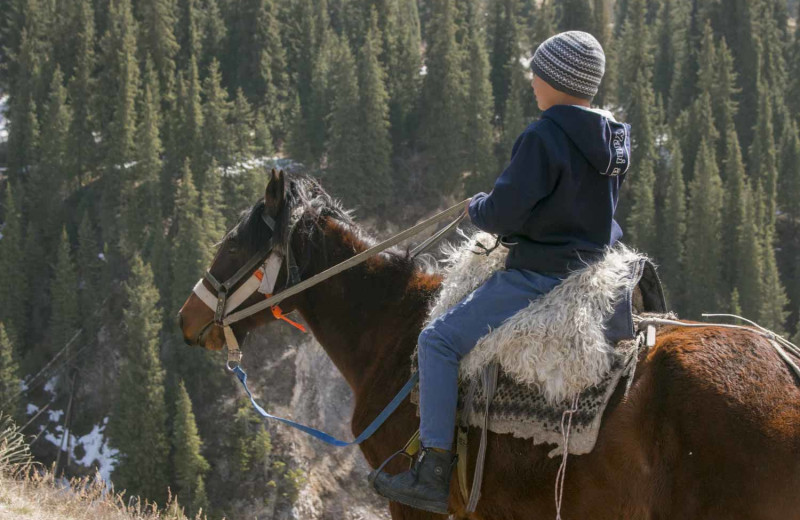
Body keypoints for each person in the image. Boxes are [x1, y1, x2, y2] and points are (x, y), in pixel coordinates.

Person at [369, 30, 632, 514]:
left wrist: (479, 208)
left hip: (542, 274)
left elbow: (505, 215)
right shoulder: (613, 137)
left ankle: (433, 470)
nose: (533, 79)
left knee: (438, 341)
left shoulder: (543, 136)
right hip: (596, 269)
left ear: (556, 79)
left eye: (539, 71)